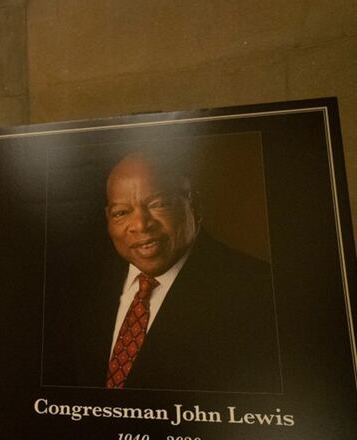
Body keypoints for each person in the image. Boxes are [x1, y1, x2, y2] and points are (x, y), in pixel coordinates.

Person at [45, 152, 280, 393]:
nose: (141, 224)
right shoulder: (79, 286)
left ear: (195, 206)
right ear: (108, 219)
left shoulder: (261, 291)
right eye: (121, 213)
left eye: (159, 204)